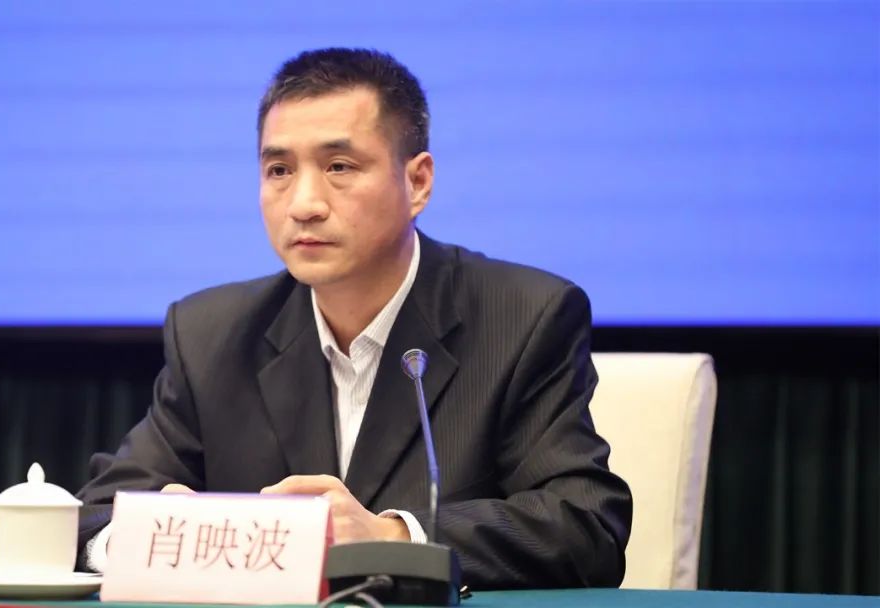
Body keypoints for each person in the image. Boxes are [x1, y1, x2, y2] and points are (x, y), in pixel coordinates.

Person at [76, 47, 632, 590]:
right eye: (278, 170)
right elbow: (91, 516)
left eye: (339, 167)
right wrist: (155, 534)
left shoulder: (524, 317)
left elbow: (585, 525)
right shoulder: (211, 334)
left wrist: (391, 537)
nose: (304, 204)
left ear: (417, 182)